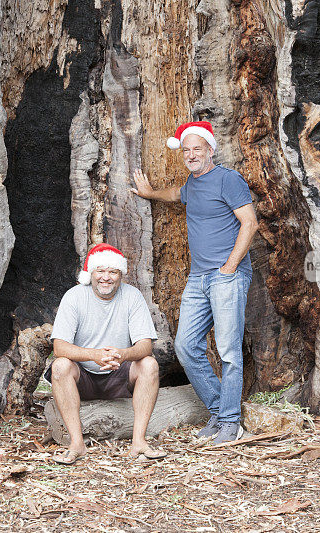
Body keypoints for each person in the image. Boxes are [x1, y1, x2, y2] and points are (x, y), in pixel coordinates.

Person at [130, 120, 258, 444]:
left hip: (227, 276)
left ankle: (231, 423)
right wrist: (150, 193)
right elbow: (177, 194)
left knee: (229, 350)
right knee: (186, 348)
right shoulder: (192, 183)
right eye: (186, 150)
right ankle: (219, 410)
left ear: (210, 150)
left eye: (197, 149)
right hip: (198, 278)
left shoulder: (228, 179)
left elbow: (250, 223)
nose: (191, 155)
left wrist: (230, 266)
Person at [48, 243, 166, 464]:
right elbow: (59, 347)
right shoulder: (74, 296)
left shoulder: (132, 296)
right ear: (90, 273)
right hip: (83, 376)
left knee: (149, 364)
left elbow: (145, 346)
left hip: (119, 374)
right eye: (100, 271)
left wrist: (122, 354)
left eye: (112, 272)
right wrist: (93, 355)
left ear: (120, 274)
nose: (106, 277)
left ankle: (139, 441)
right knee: (60, 365)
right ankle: (77, 443)